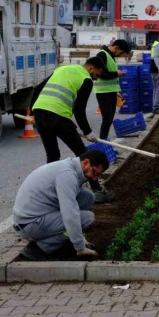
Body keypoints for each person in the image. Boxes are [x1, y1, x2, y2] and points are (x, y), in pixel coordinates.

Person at [30, 57, 113, 203]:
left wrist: (32, 113)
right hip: (58, 117)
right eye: (97, 74)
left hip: (40, 114)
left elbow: (37, 89)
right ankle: (97, 190)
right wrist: (88, 132)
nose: (96, 78)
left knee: (53, 155)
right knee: (84, 154)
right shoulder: (85, 79)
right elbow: (79, 110)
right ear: (91, 68)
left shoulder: (62, 68)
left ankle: (50, 191)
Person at [13, 150, 108, 261]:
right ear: (86, 163)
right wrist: (80, 247)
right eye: (95, 173)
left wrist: (81, 238)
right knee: (87, 218)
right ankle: (39, 249)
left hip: (39, 215)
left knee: (88, 197)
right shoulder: (67, 175)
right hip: (28, 224)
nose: (95, 178)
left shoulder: (73, 169)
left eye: (98, 175)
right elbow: (70, 213)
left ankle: (67, 240)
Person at [94, 39, 132, 140]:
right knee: (107, 119)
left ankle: (104, 141)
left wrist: (116, 92)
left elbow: (109, 74)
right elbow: (101, 74)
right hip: (104, 93)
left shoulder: (110, 56)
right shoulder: (102, 55)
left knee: (109, 119)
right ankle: (103, 142)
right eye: (120, 52)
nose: (120, 55)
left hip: (110, 92)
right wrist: (117, 74)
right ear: (116, 48)